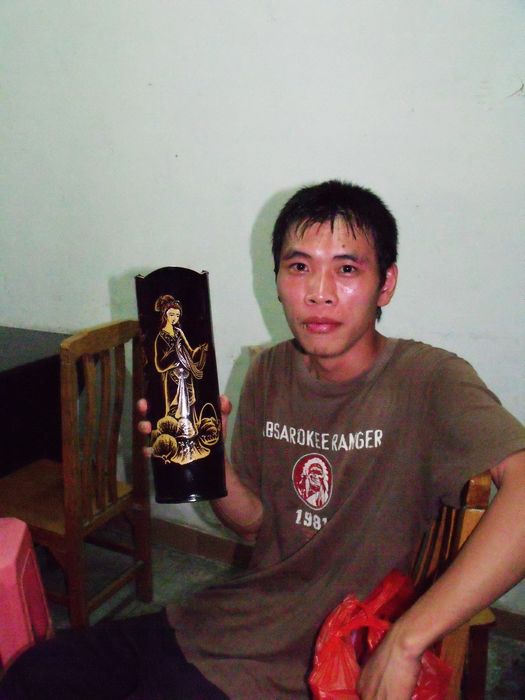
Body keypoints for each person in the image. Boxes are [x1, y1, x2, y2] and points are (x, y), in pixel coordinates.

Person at [1, 180, 524, 700]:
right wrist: (212, 463)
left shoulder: (428, 378)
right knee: (36, 673)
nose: (319, 291)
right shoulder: (270, 369)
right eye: (299, 267)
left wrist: (407, 640)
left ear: (385, 284)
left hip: (320, 657)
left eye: (347, 269)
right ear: (276, 280)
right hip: (235, 616)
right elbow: (254, 526)